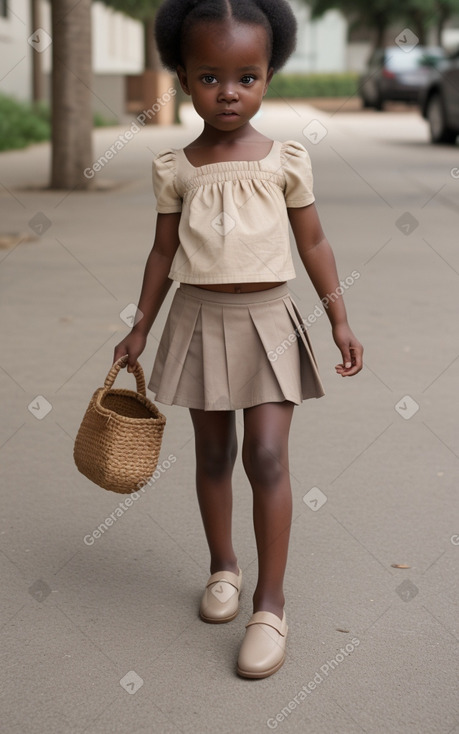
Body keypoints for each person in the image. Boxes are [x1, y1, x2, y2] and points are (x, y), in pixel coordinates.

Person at [113, 0, 363, 679]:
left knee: (267, 455)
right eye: (209, 76)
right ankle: (222, 566)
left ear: (268, 75)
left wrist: (337, 317)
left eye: (246, 76)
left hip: (271, 324)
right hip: (197, 320)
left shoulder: (284, 159)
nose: (228, 92)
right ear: (183, 76)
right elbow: (162, 254)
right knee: (214, 454)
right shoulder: (175, 167)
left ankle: (270, 603)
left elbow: (311, 240)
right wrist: (139, 323)